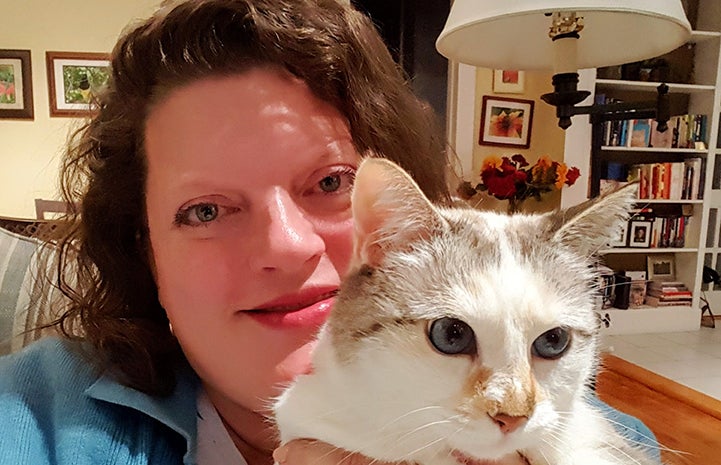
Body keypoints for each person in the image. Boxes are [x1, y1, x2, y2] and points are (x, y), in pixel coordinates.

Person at [0, 1, 657, 464]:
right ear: (147, 257)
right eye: (204, 209)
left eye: (331, 182)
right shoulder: (34, 416)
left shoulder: (602, 440)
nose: (287, 245)